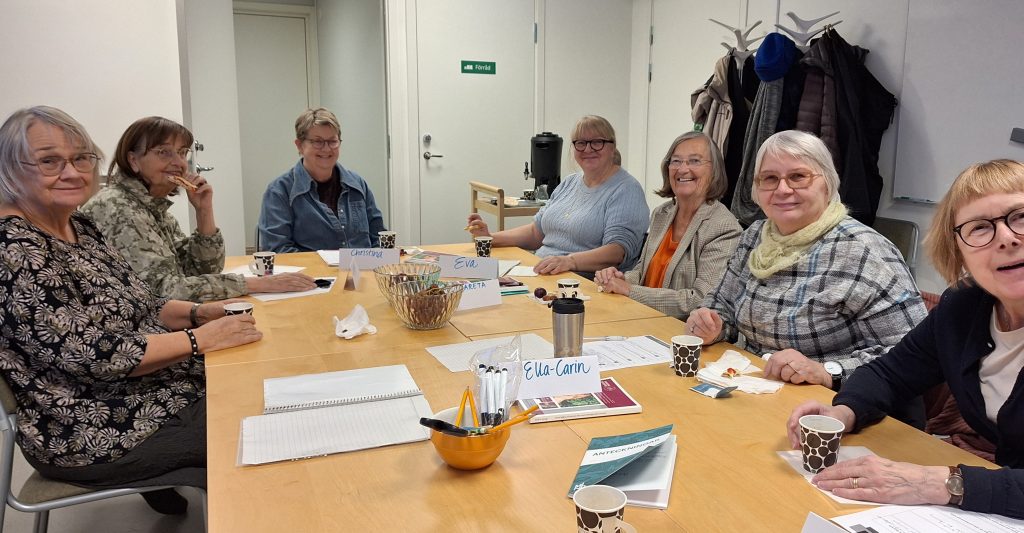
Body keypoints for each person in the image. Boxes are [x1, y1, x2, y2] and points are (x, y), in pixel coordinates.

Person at [0, 106, 262, 514]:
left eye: (82, 158)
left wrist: (198, 314)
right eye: (49, 161)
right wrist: (198, 339)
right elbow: (94, 355)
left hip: (143, 388)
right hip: (88, 423)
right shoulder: (14, 247)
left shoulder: (79, 226)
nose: (72, 172)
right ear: (10, 169)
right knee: (254, 426)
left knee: (255, 384)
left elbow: (144, 301)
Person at [786, 159, 1024, 519]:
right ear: (958, 252)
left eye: (1020, 216)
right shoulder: (963, 308)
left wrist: (940, 482)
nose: (1006, 238)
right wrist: (843, 412)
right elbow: (890, 374)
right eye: (979, 227)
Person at [686, 130, 926, 391]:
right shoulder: (755, 236)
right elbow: (722, 305)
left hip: (840, 400)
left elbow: (916, 356)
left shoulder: (863, 251)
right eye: (770, 178)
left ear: (827, 183)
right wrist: (713, 325)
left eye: (798, 177)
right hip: (757, 384)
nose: (782, 189)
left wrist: (827, 371)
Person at [81, 116, 315, 302]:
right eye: (164, 152)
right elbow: (163, 292)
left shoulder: (154, 208)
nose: (179, 163)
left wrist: (204, 212)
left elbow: (203, 269)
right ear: (133, 160)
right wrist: (256, 284)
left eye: (183, 152)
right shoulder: (117, 207)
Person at [466, 115, 648, 276]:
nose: (588, 149)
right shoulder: (569, 183)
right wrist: (490, 237)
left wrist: (570, 261)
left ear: (612, 146)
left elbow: (617, 253)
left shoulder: (626, 190)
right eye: (581, 143)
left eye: (597, 142)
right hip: (543, 271)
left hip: (582, 283)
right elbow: (536, 232)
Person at [594, 132, 741, 319]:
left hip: (679, 331)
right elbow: (642, 272)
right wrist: (618, 278)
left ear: (715, 170)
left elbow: (701, 300)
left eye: (695, 161)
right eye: (676, 161)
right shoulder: (661, 213)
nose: (683, 169)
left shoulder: (724, 228)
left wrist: (629, 290)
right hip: (641, 318)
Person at [259, 107, 386, 252]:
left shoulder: (358, 184)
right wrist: (330, 265)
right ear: (300, 145)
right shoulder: (279, 192)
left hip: (364, 267)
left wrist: (379, 260)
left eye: (332, 141)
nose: (326, 149)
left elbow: (379, 238)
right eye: (318, 142)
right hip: (311, 268)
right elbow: (278, 250)